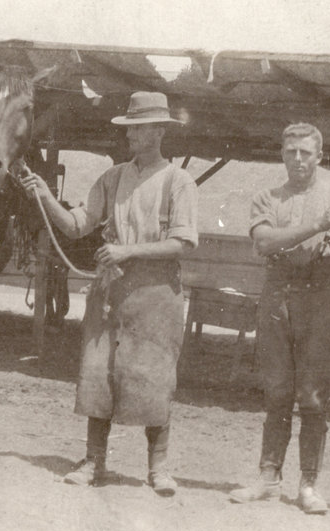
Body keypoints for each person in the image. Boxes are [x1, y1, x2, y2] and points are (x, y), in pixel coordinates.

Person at [20, 91, 198, 496]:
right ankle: (92, 461)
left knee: (155, 376)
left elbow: (184, 243)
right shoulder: (113, 177)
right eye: (129, 128)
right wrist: (44, 195)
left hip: (156, 293)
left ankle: (158, 468)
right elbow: (76, 225)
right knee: (98, 372)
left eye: (138, 128)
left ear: (158, 132)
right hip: (110, 289)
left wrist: (127, 250)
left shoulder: (178, 181)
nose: (130, 135)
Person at [229, 122, 330, 513]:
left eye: (306, 152)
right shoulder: (267, 197)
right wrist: (319, 225)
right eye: (291, 152)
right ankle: (269, 478)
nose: (298, 159)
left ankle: (308, 485)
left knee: (314, 398)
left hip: (321, 298)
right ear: (282, 154)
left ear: (319, 156)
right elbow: (264, 242)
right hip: (277, 297)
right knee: (276, 392)